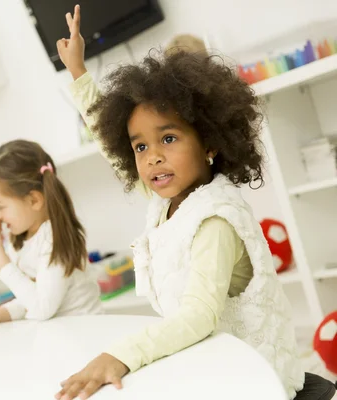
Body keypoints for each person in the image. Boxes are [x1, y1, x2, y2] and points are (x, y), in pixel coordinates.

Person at [54, 5, 305, 399]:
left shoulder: (216, 221)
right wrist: (79, 74)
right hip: (211, 365)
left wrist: (119, 356)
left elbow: (198, 317)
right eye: (139, 145)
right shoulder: (166, 201)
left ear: (209, 142)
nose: (152, 156)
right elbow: (110, 144)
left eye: (168, 139)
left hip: (258, 379)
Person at [0, 139, 102, 335]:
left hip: (86, 336)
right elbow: (30, 297)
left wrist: (0, 258)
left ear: (34, 200)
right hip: (60, 335)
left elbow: (42, 308)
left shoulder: (54, 239)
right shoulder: (22, 237)